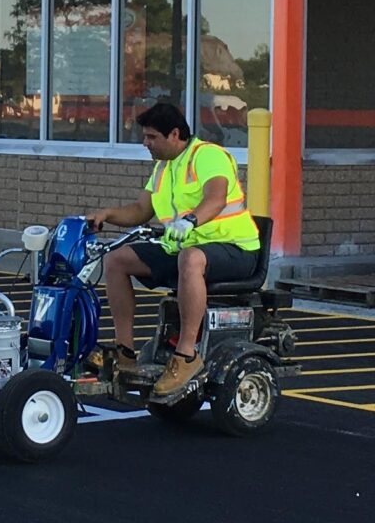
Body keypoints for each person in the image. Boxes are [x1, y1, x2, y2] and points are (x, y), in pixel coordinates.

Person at [81, 99, 261, 402]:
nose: (145, 143)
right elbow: (141, 210)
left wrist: (190, 220)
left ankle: (186, 357)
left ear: (175, 134)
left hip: (235, 250)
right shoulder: (163, 168)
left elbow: (216, 198)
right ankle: (125, 352)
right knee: (117, 259)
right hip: (184, 248)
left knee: (191, 259)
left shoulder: (208, 156)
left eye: (152, 137)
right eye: (145, 137)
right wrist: (106, 214)